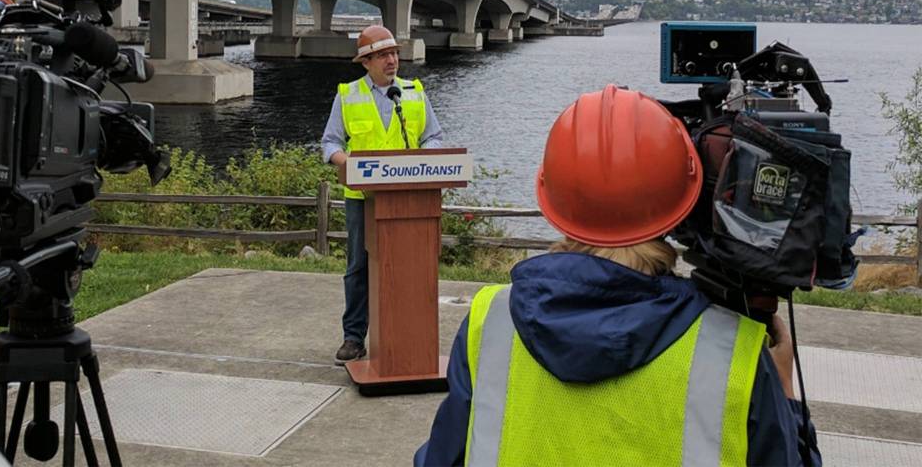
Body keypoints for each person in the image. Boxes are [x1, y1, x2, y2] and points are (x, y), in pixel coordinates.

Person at [415, 85, 820, 467]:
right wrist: (784, 395)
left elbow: (443, 456)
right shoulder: (730, 352)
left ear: (553, 195)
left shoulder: (490, 323)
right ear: (687, 198)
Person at [321, 24, 443, 365]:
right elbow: (330, 142)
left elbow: (433, 136)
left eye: (394, 54)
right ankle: (353, 337)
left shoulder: (414, 93)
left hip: (409, 198)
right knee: (359, 265)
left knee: (407, 265)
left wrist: (426, 157)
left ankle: (406, 337)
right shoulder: (348, 95)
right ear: (366, 62)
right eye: (384, 55)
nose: (392, 61)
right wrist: (345, 162)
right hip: (363, 198)